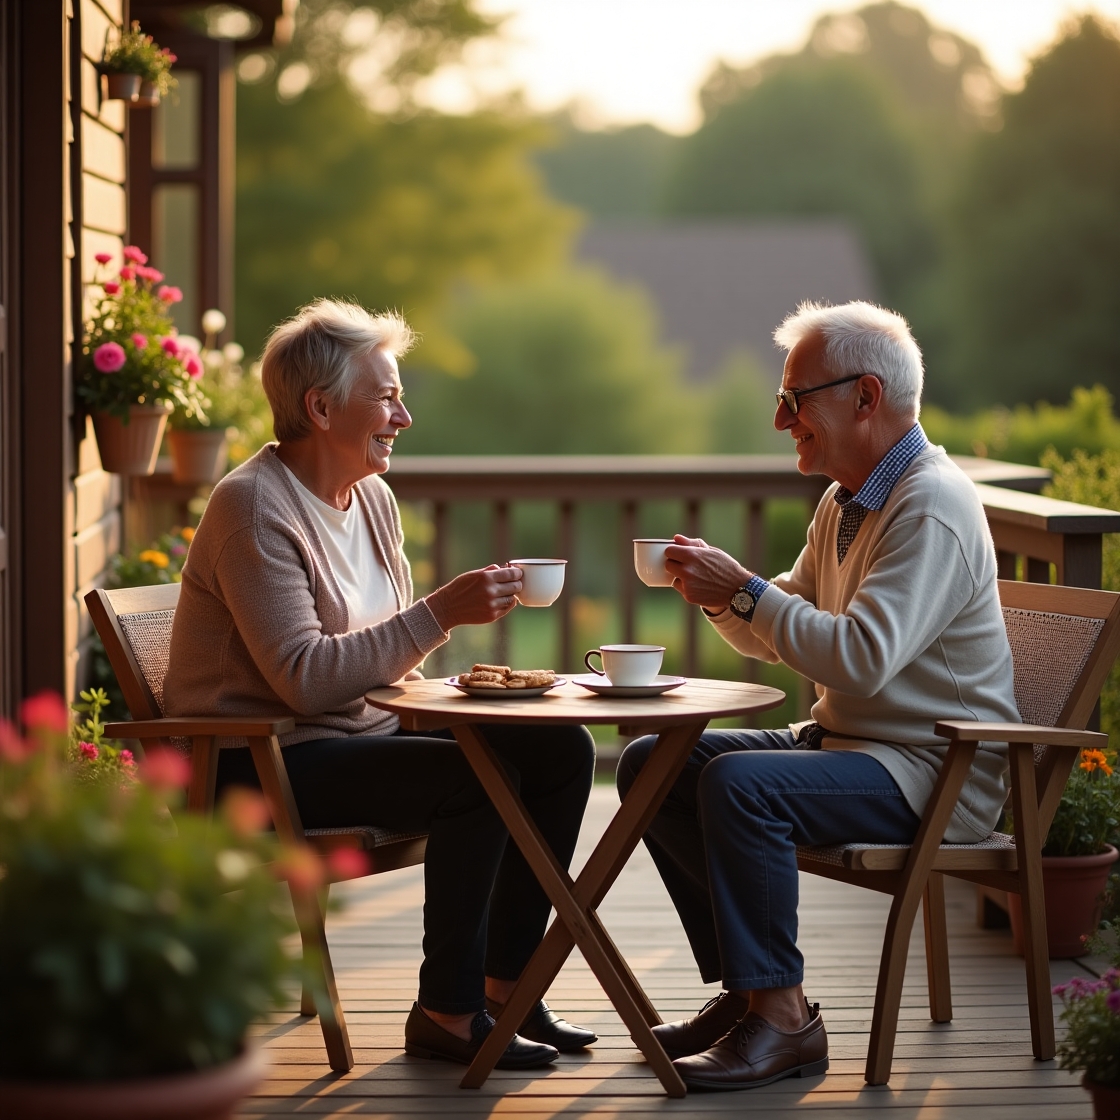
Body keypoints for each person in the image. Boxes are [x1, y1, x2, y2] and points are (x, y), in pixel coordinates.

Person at [164, 298, 596, 1070]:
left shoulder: (371, 498)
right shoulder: (254, 509)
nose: (403, 415)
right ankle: (447, 1012)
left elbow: (381, 656)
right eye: (387, 396)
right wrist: (439, 613)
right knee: (479, 776)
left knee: (559, 746)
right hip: (258, 763)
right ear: (320, 407)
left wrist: (455, 692)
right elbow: (302, 681)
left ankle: (505, 991)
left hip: (359, 738)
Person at [616, 300, 1021, 1092]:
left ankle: (782, 1021)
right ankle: (752, 993)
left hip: (934, 770)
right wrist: (721, 595)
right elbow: (782, 630)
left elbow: (860, 659)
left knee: (738, 784)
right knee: (653, 763)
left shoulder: (930, 503)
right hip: (854, 748)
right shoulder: (847, 500)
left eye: (795, 399)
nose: (779, 419)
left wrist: (748, 590)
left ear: (866, 398)